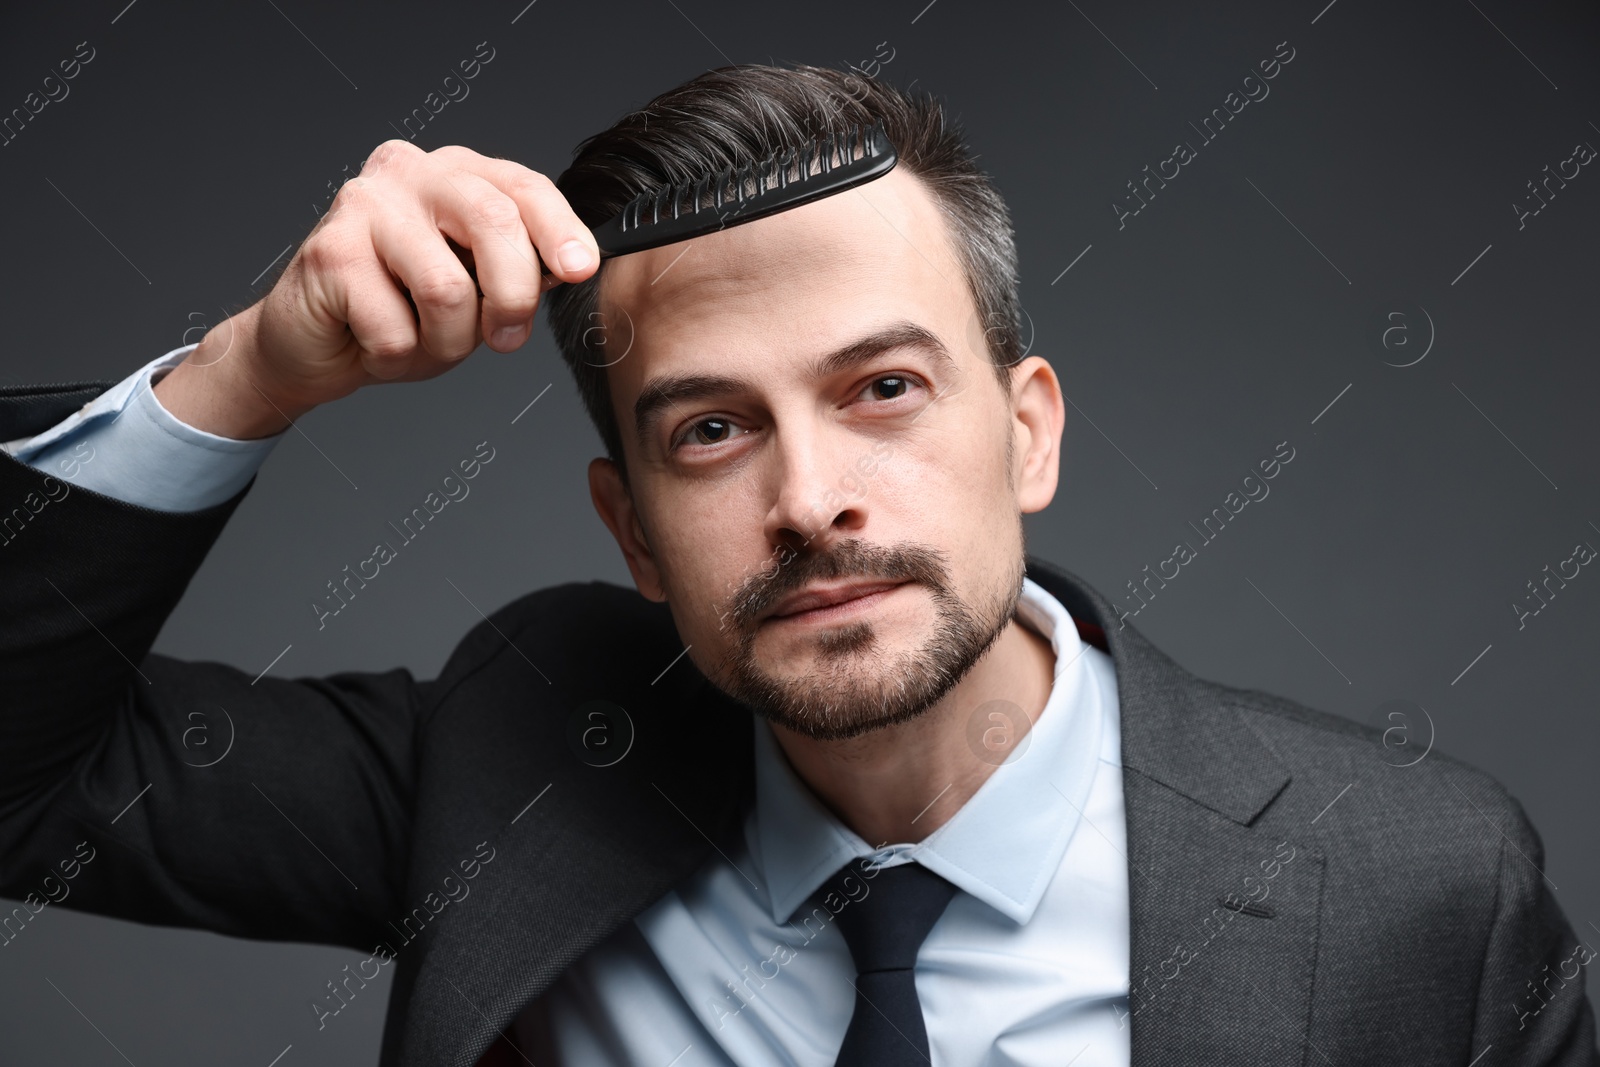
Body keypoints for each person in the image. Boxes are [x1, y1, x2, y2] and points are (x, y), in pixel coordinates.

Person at [1, 63, 1594, 1067]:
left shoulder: (1411, 889)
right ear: (630, 528)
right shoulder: (511, 763)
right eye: (709, 431)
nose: (811, 499)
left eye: (882, 389)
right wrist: (252, 368)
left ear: (1028, 433)